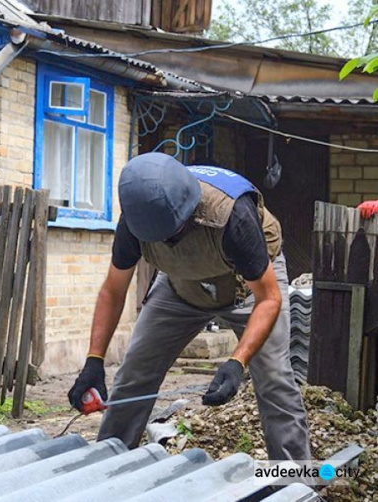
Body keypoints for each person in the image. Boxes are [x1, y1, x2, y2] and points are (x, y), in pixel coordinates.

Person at [68, 152, 311, 462]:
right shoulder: (135, 220)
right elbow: (113, 291)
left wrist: (237, 362)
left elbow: (269, 299)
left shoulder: (234, 215)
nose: (168, 242)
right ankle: (108, 468)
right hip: (178, 287)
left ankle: (295, 484)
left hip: (249, 289)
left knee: (275, 380)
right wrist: (94, 361)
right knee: (133, 375)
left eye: (173, 233)